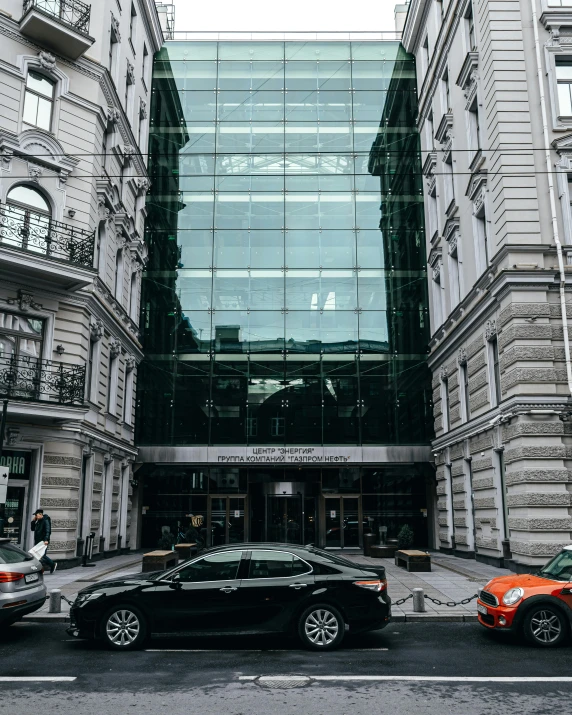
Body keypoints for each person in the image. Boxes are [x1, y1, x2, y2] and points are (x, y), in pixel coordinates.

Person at [31, 509, 57, 574]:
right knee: (38, 555)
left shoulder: (46, 520)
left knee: (42, 556)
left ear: (40, 514)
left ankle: (52, 564)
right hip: (38, 541)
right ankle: (49, 566)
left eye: (36, 515)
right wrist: (33, 521)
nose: (36, 517)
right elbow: (32, 529)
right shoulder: (38, 521)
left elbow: (48, 531)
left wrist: (46, 540)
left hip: (43, 541)